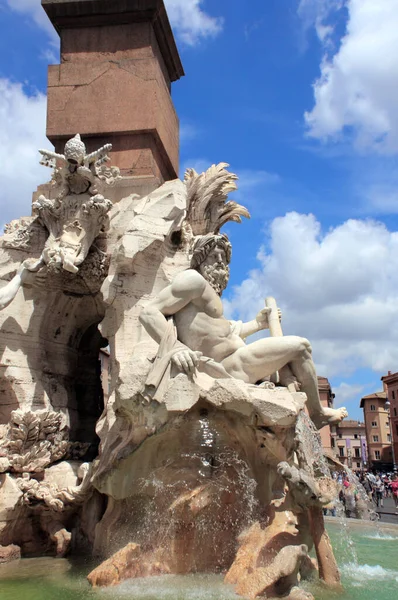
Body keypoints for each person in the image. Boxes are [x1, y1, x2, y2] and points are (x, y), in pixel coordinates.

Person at [140, 233, 348, 430]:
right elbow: (149, 313)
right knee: (301, 346)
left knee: (292, 356)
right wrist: (176, 349)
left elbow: (225, 333)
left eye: (224, 258)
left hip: (237, 361)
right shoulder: (192, 281)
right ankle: (318, 412)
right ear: (200, 261)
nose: (220, 262)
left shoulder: (208, 296)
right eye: (214, 256)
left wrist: (257, 324)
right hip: (229, 367)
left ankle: (302, 399)